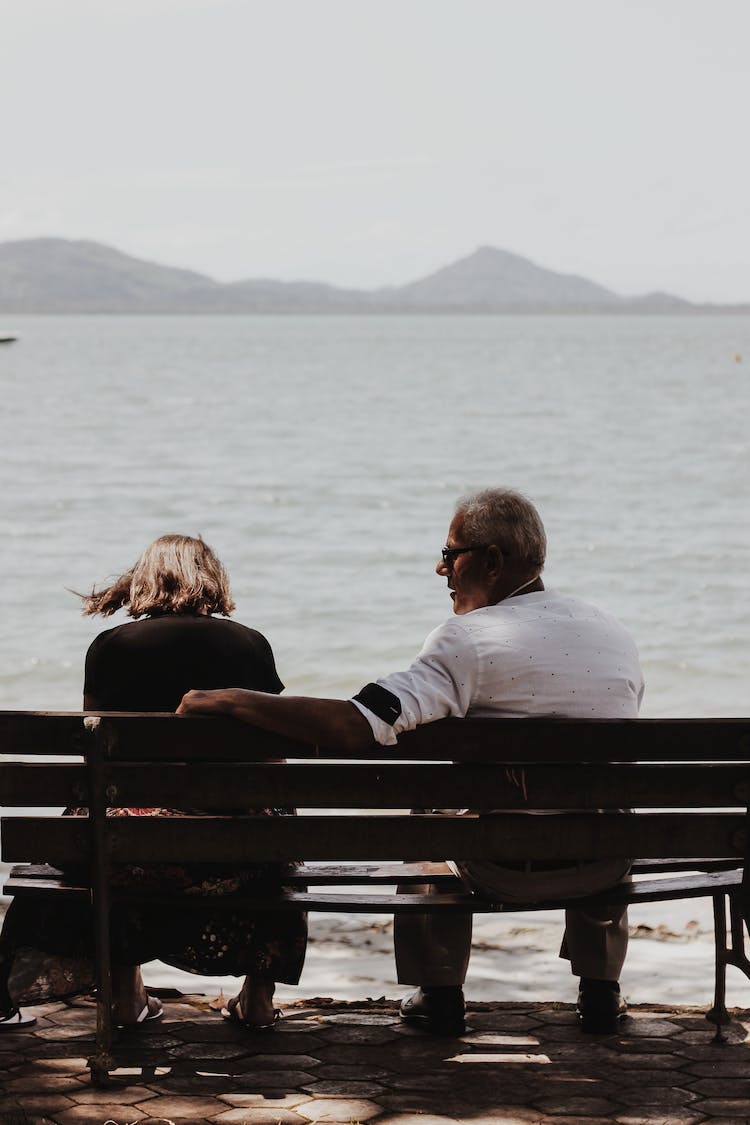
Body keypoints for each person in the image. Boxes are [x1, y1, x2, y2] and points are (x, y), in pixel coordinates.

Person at [177, 490, 644, 1036]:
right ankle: (600, 990)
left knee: (430, 818)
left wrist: (232, 699)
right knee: (593, 804)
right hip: (600, 862)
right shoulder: (611, 633)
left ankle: (440, 992)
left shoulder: (466, 641)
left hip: (495, 865)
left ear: (492, 561)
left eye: (451, 554)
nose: (440, 568)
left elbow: (358, 723)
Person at [0, 535, 307, 1031]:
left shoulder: (111, 647)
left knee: (116, 824)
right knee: (276, 814)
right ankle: (257, 1001)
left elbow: (95, 758)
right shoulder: (250, 644)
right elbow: (271, 765)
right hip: (238, 853)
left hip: (128, 855)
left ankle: (125, 998)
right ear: (211, 579)